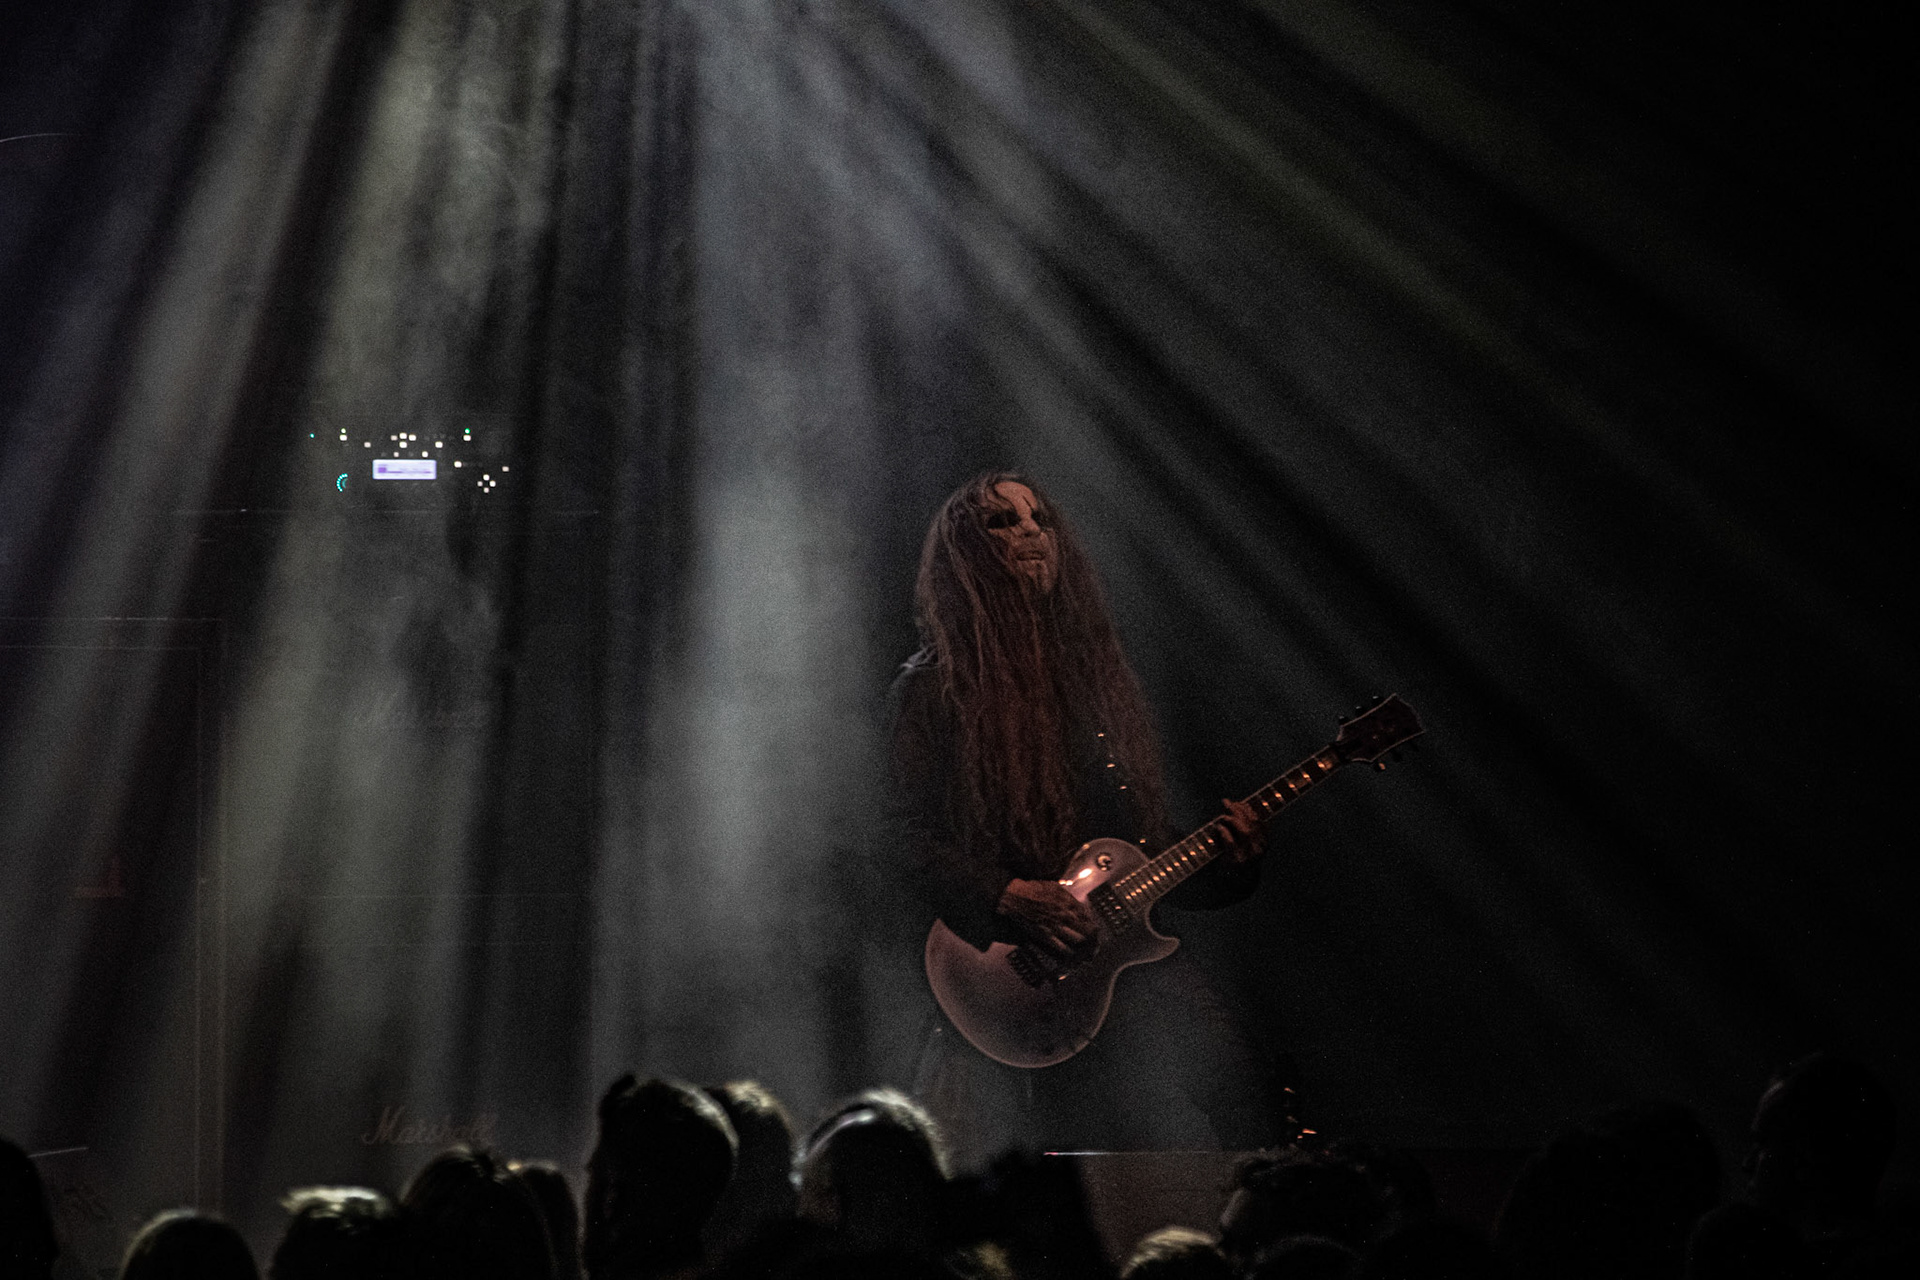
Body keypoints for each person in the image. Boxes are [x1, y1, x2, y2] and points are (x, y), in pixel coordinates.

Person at [887, 471, 1287, 1159]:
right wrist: (1009, 896)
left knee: (1247, 1091)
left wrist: (1233, 864)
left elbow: (1142, 849)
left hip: (1118, 960)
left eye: (1037, 518)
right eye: (1001, 523)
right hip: (1003, 965)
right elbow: (900, 839)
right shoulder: (935, 687)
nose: (1029, 533)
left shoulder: (1099, 681)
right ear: (965, 557)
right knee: (1001, 1158)